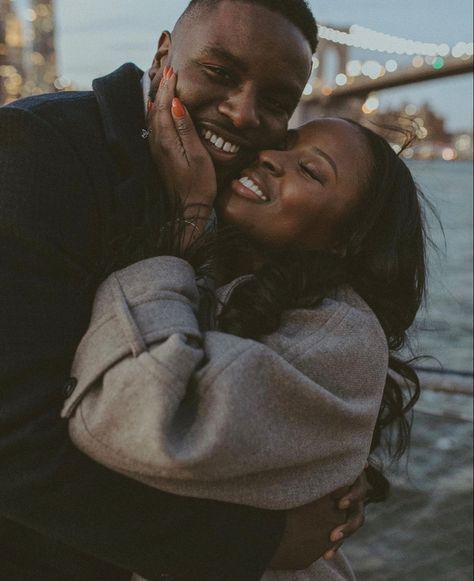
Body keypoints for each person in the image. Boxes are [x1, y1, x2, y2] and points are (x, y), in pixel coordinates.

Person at [0, 1, 368, 579]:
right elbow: (12, 443)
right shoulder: (36, 152)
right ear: (163, 55)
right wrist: (260, 540)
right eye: (220, 74)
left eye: (275, 102)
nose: (244, 114)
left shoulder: (233, 194)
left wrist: (307, 468)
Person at [62, 70, 426, 580]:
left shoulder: (344, 334)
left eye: (311, 171)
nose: (270, 157)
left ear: (344, 241)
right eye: (286, 143)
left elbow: (136, 421)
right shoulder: (212, 274)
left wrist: (186, 217)